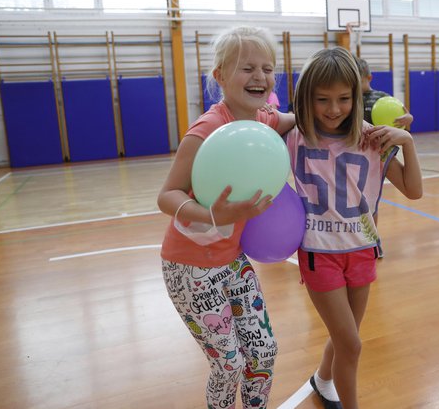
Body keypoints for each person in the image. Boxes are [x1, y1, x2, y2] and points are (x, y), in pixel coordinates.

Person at [157, 26, 295, 409]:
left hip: (232, 261)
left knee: (264, 353)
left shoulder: (263, 122)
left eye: (268, 69)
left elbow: (297, 120)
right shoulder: (207, 129)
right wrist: (212, 214)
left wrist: (356, 124)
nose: (260, 77)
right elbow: (166, 196)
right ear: (219, 76)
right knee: (229, 365)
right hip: (189, 268)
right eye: (247, 68)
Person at [286, 47, 423, 409]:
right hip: (319, 253)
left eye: (344, 99)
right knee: (351, 343)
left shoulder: (371, 138)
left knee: (347, 335)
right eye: (322, 99)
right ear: (306, 98)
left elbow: (414, 190)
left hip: (363, 249)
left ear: (357, 96)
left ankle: (323, 378)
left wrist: (407, 142)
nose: (333, 109)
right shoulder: (293, 134)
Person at [355, 56, 413, 129]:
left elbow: (405, 113)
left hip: (380, 137)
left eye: (359, 82)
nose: (355, 86)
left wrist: (409, 118)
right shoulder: (351, 98)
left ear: (369, 78)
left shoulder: (383, 97)